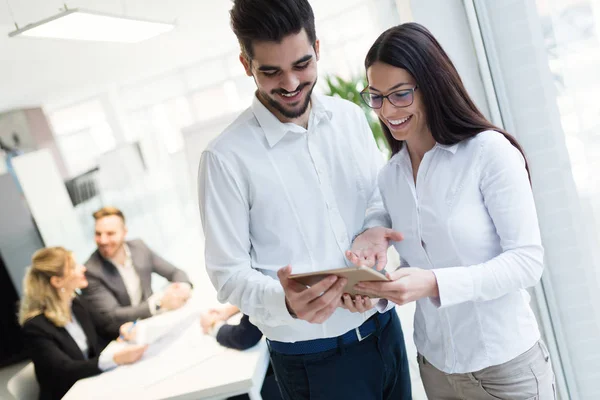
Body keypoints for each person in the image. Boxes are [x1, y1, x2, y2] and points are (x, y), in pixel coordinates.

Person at [198, 0, 411, 398]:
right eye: (271, 71)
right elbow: (227, 275)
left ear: (317, 46)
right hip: (313, 363)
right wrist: (288, 303)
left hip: (385, 334)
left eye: (302, 65)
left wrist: (372, 234)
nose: (291, 84)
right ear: (246, 65)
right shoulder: (224, 158)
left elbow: (377, 201)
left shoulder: (349, 118)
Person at [346, 23, 556, 399]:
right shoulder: (391, 176)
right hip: (436, 368)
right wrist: (372, 286)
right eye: (376, 97)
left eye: (401, 95)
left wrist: (434, 283)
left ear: (432, 86)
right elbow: (389, 232)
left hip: (505, 369)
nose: (387, 111)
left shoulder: (488, 153)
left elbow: (527, 262)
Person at [19, 247, 148, 400]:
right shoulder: (35, 326)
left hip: (92, 384)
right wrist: (114, 359)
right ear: (57, 281)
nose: (83, 268)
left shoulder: (75, 303)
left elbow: (105, 326)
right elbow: (65, 370)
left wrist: (122, 329)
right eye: (74, 266)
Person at [82, 206, 193, 337]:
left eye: (110, 233)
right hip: (124, 336)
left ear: (124, 232)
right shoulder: (91, 271)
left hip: (155, 324)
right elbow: (113, 315)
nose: (103, 240)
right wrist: (159, 304)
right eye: (98, 234)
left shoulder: (138, 247)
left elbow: (175, 272)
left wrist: (183, 288)